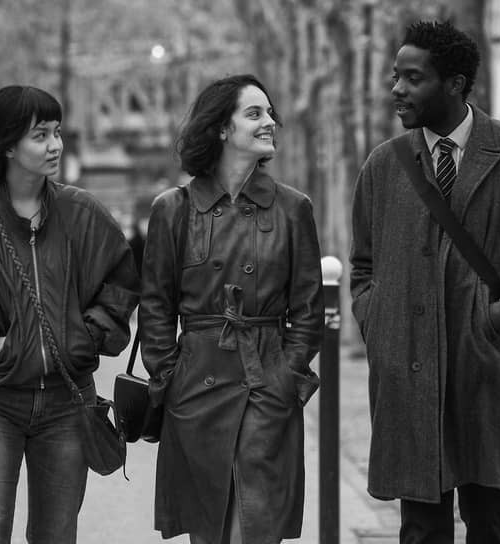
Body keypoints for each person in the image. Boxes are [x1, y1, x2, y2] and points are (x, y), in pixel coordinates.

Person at [349, 21, 500, 544]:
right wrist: (378, 324)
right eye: (396, 76)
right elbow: (363, 267)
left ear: (454, 84)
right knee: (420, 529)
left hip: (487, 367)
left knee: (492, 521)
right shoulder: (384, 166)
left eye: (413, 78)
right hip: (409, 370)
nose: (397, 89)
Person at [0, 85, 139, 543]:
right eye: (41, 135)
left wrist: (86, 336)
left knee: (56, 534)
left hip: (67, 402)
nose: (55, 145)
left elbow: (123, 282)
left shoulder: (82, 214)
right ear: (8, 146)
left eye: (57, 132)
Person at [139, 74, 324, 544]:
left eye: (270, 113)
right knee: (208, 528)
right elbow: (155, 306)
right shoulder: (173, 209)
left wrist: (286, 377)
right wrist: (170, 375)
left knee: (256, 527)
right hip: (195, 386)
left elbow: (308, 311)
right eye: (254, 113)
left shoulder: (293, 209)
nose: (270, 122)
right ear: (222, 128)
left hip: (266, 382)